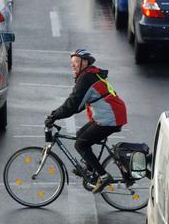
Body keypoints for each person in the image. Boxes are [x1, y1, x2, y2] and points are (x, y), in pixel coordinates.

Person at [45, 49, 127, 194]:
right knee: (81, 134)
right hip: (109, 115)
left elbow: (73, 104)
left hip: (111, 117)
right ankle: (90, 169)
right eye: (72, 63)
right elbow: (80, 104)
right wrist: (59, 114)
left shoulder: (86, 78)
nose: (73, 65)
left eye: (76, 62)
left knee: (81, 144)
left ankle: (103, 176)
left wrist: (54, 116)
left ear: (85, 62)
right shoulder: (88, 76)